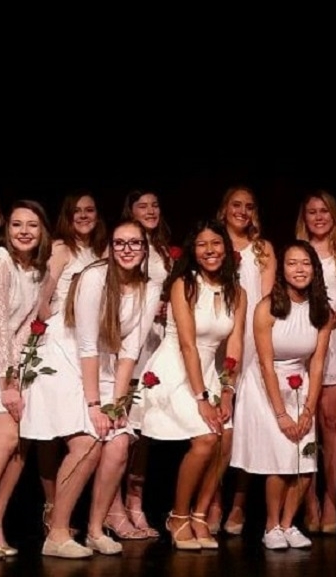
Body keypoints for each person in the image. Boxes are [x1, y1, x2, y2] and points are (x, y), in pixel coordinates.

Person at [30, 220, 159, 558]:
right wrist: (93, 406)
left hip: (105, 364)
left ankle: (94, 530)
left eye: (135, 243)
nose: (127, 249)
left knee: (118, 444)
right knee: (87, 441)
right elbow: (86, 343)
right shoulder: (94, 277)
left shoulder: (150, 287)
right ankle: (57, 534)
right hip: (65, 356)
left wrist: (115, 407)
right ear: (111, 248)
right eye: (120, 243)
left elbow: (130, 352)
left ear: (145, 249)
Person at [140, 219, 246, 550]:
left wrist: (227, 391)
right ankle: (178, 515)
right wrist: (202, 397)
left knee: (226, 436)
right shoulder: (183, 284)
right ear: (193, 250)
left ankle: (200, 515)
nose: (210, 250)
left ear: (226, 250)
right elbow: (187, 345)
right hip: (175, 370)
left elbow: (235, 346)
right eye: (202, 244)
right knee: (205, 438)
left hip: (210, 371)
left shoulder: (238, 293)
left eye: (216, 243)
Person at [231, 240, 331, 549]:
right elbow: (264, 363)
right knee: (278, 458)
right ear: (282, 269)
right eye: (292, 263)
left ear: (314, 269)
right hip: (266, 387)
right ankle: (271, 525)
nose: (299, 269)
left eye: (305, 263)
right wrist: (281, 414)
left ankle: (289, 524)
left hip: (300, 385)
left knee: (304, 459)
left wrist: (307, 411)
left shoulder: (322, 311)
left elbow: (316, 365)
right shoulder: (267, 308)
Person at [20, 191, 107, 537]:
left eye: (90, 210)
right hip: (58, 340)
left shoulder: (102, 251)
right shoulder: (60, 247)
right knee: (49, 428)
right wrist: (47, 324)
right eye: (76, 211)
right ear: (66, 216)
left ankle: (64, 511)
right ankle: (52, 507)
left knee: (78, 427)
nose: (83, 216)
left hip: (88, 341)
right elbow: (44, 296)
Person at [103, 189, 172, 540]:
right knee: (121, 431)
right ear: (129, 210)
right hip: (127, 345)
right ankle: (112, 508)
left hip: (156, 343)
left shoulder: (160, 248)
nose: (150, 210)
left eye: (155, 204)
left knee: (142, 429)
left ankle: (134, 502)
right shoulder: (121, 246)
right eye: (142, 205)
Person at [295, 190, 336, 534]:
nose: (319, 217)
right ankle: (310, 500)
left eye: (325, 211)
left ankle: (333, 498)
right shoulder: (296, 250)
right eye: (312, 211)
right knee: (306, 421)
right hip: (301, 338)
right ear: (304, 217)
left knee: (333, 423)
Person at [213, 185, 276, 535]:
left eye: (249, 206)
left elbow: (266, 301)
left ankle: (237, 504)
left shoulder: (263, 249)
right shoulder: (212, 242)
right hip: (216, 335)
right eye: (236, 204)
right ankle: (211, 500)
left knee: (246, 424)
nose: (242, 211)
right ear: (224, 208)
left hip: (251, 339)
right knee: (216, 422)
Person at [0, 200, 51, 560]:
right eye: (16, 225)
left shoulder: (38, 270)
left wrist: (22, 373)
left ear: (42, 231)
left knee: (20, 445)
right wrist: (7, 382)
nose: (24, 231)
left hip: (12, 363)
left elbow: (26, 326)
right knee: (6, 438)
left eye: (32, 225)